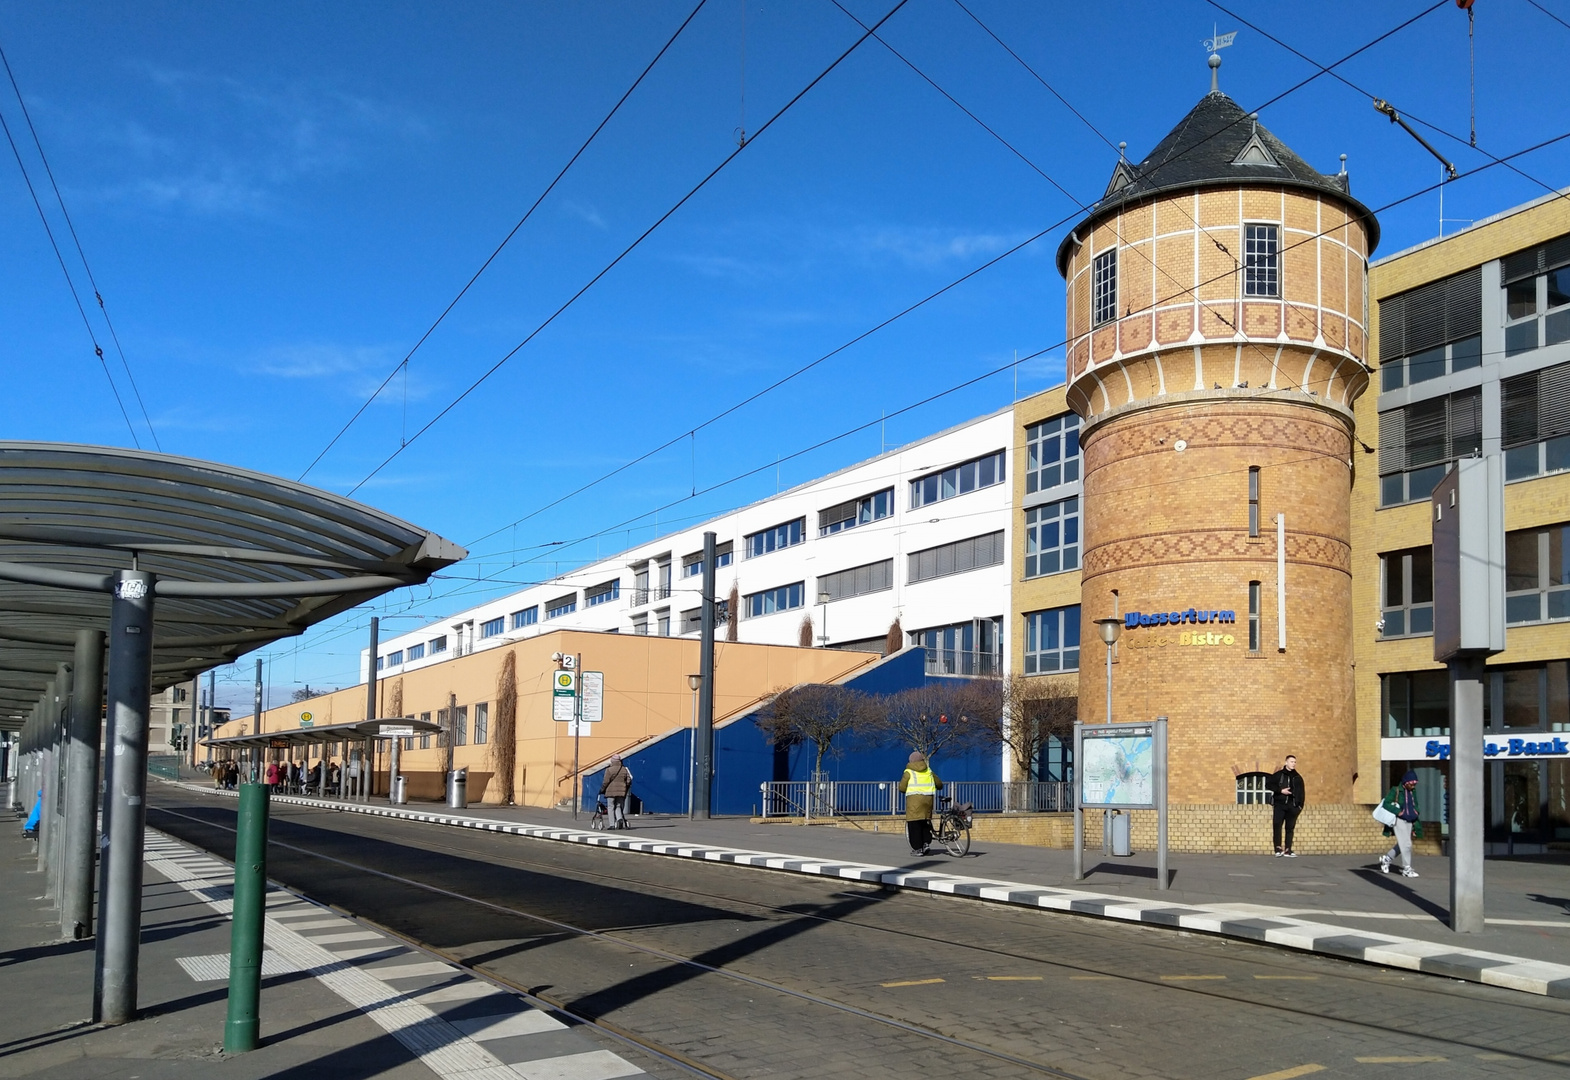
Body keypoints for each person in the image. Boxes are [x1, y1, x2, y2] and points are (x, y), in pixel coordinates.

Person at [1379, 770, 1423, 878]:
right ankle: (1406, 869)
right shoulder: (1396, 790)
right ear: (1406, 782)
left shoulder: (1413, 791)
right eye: (1412, 784)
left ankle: (1387, 859)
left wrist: (1416, 811)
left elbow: (1415, 804)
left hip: (1410, 820)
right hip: (1399, 820)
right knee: (1407, 844)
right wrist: (1399, 812)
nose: (1413, 786)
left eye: (1415, 784)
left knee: (1402, 844)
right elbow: (1386, 803)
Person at [897, 751, 942, 856]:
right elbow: (939, 784)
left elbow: (902, 788)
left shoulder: (909, 772)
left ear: (911, 761)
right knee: (925, 822)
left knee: (914, 824)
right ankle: (926, 843)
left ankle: (918, 849)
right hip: (928, 801)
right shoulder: (929, 771)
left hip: (914, 802)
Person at [1268, 753, 1306, 857]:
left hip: (1292, 806)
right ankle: (1278, 848)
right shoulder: (1279, 775)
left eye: (1294, 762)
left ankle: (1288, 850)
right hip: (1280, 805)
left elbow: (1302, 793)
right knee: (1277, 826)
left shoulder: (1297, 777)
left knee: (1290, 828)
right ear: (1286, 762)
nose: (1293, 764)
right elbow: (1268, 784)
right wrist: (1280, 791)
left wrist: (1299, 807)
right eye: (1291, 762)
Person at [600, 755, 633, 829]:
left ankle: (612, 824)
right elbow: (628, 780)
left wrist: (602, 789)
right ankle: (619, 819)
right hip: (621, 791)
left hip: (610, 791)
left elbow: (605, 782)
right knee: (618, 806)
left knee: (610, 807)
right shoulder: (624, 769)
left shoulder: (609, 770)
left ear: (612, 761)